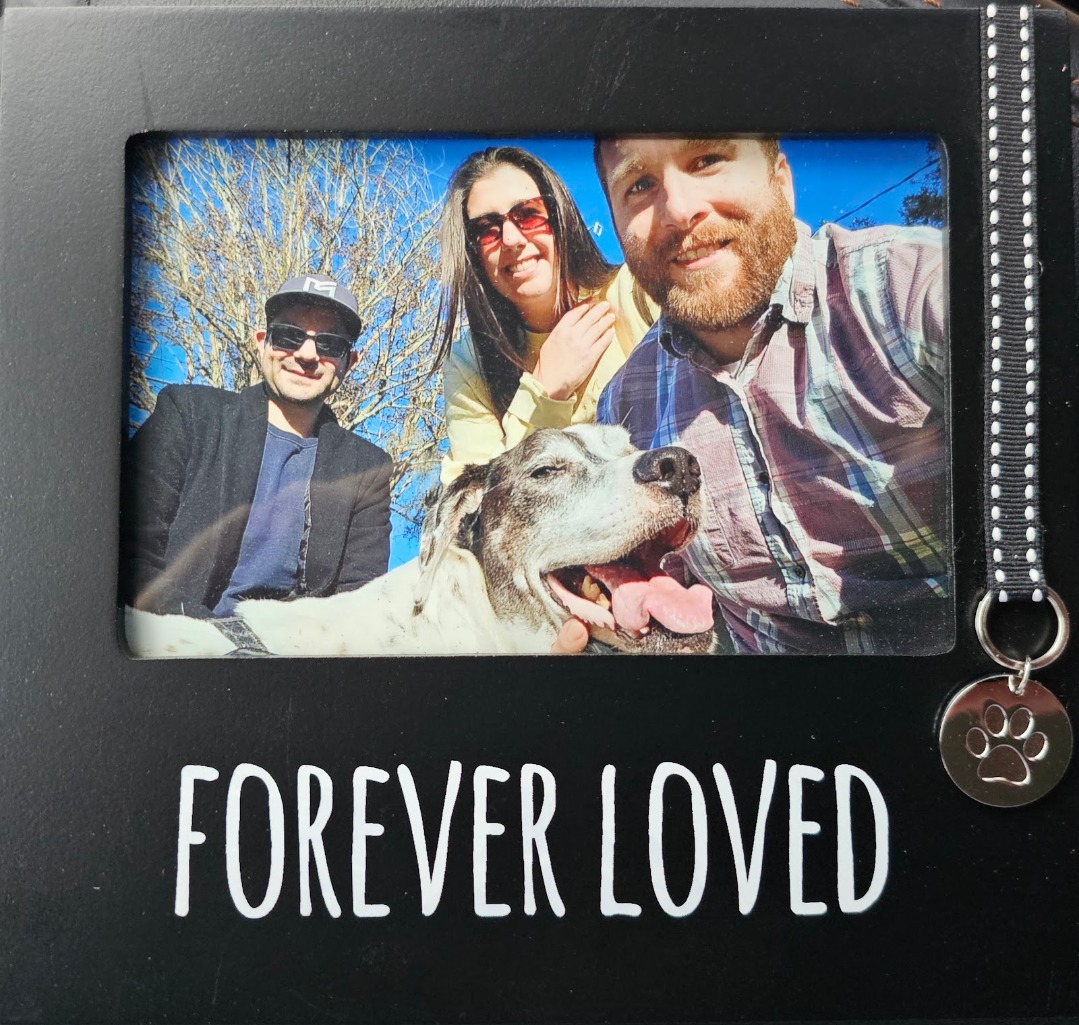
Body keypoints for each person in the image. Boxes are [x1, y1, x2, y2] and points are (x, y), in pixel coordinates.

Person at [592, 135, 950, 654]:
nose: (679, 211)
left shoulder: (914, 287)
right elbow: (650, 587)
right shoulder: (625, 409)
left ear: (781, 179)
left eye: (707, 160)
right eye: (640, 185)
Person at [122, 273, 392, 619]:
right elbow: (126, 550)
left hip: (292, 648)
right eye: (289, 335)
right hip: (175, 634)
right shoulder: (189, 415)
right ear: (262, 342)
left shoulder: (366, 470)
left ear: (349, 362)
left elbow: (359, 603)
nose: (307, 354)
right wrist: (209, 635)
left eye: (330, 344)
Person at [433, 146, 656, 484]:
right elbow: (475, 499)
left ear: (560, 216)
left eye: (528, 214)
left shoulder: (636, 289)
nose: (511, 239)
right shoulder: (469, 364)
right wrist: (544, 391)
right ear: (473, 254)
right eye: (487, 230)